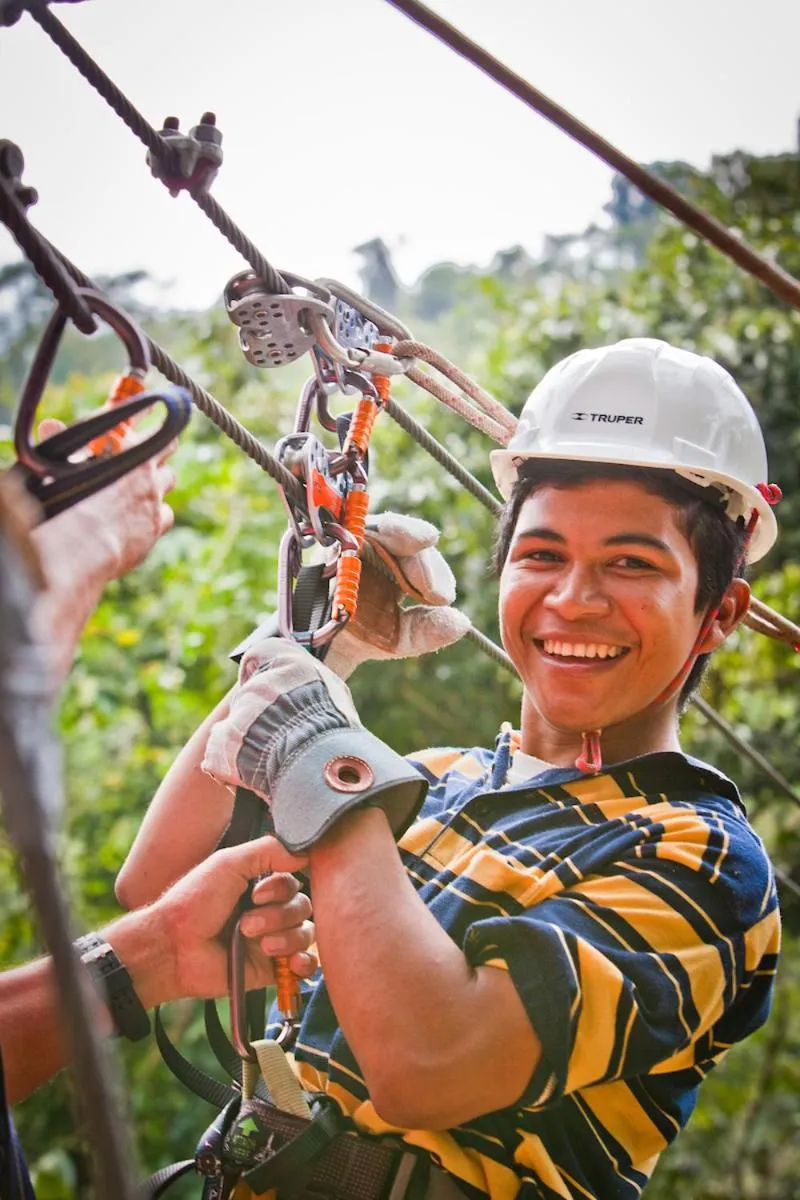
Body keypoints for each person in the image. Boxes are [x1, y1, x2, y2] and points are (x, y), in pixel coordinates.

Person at [118, 338, 782, 1200]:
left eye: (631, 563)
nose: (572, 599)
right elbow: (161, 888)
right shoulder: (427, 781)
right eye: (542, 555)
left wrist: (324, 760)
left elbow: (428, 1064)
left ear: (718, 612)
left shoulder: (704, 861)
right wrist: (310, 651)